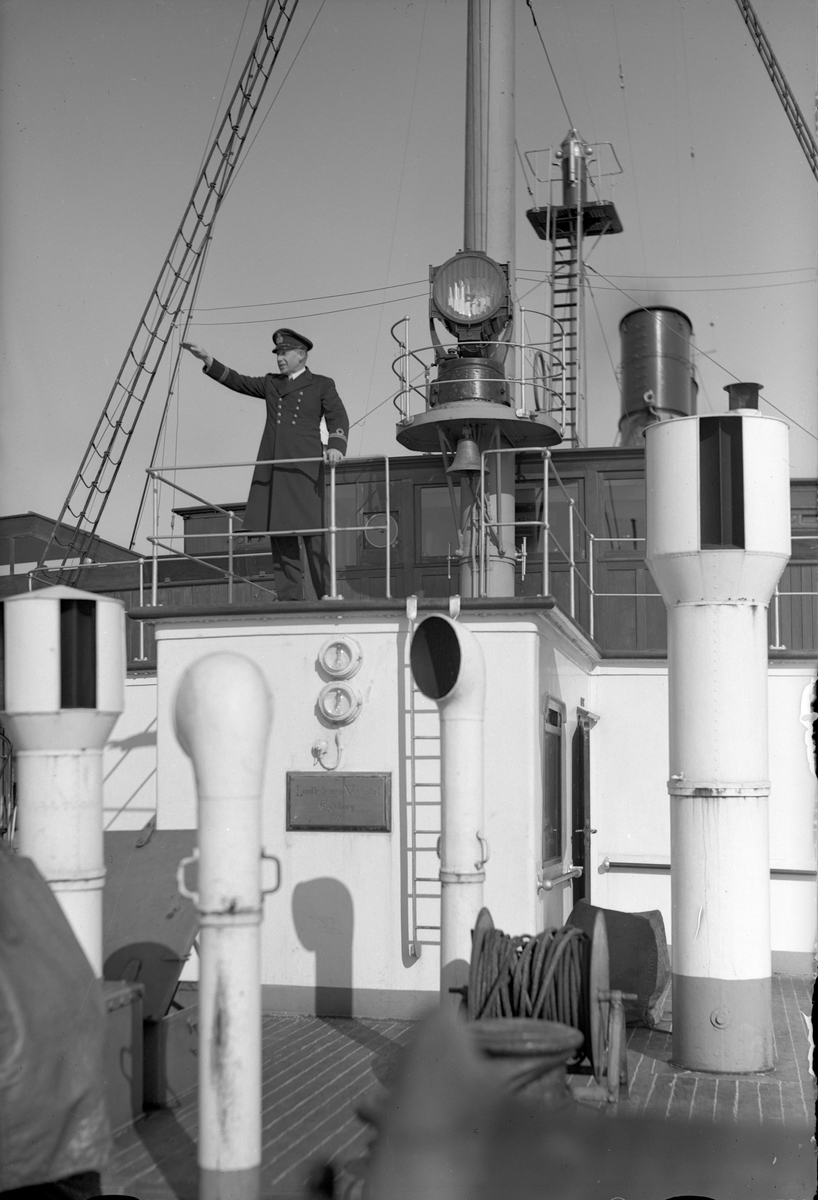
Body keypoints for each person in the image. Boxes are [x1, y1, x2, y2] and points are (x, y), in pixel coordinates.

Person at [183, 328, 349, 600]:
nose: (279, 358)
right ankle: (289, 598)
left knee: (315, 535)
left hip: (305, 471)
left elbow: (338, 417)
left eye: (284, 353)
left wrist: (336, 446)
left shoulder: (321, 384)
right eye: (277, 354)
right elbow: (239, 381)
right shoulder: (272, 383)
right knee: (281, 534)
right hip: (276, 469)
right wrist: (207, 360)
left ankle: (328, 596)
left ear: (301, 355)